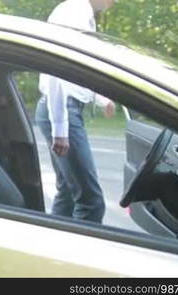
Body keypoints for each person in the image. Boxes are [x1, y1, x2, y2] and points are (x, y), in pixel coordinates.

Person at [35, 0, 117, 223]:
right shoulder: (75, 12)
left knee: (69, 194)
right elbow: (56, 68)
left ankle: (51, 249)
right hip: (61, 110)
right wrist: (60, 127)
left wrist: (101, 98)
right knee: (91, 202)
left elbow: (78, 70)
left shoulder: (81, 13)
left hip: (62, 108)